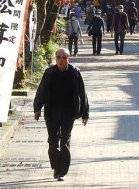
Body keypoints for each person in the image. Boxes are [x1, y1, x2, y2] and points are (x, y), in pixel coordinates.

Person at [33, 48, 89, 181]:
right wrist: (37, 108)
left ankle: (62, 171)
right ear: (55, 58)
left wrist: (85, 113)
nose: (61, 60)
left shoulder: (75, 73)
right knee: (52, 143)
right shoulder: (49, 73)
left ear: (69, 59)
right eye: (58, 57)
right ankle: (56, 167)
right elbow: (41, 91)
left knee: (65, 142)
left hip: (68, 113)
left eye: (64, 57)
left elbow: (82, 93)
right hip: (52, 113)